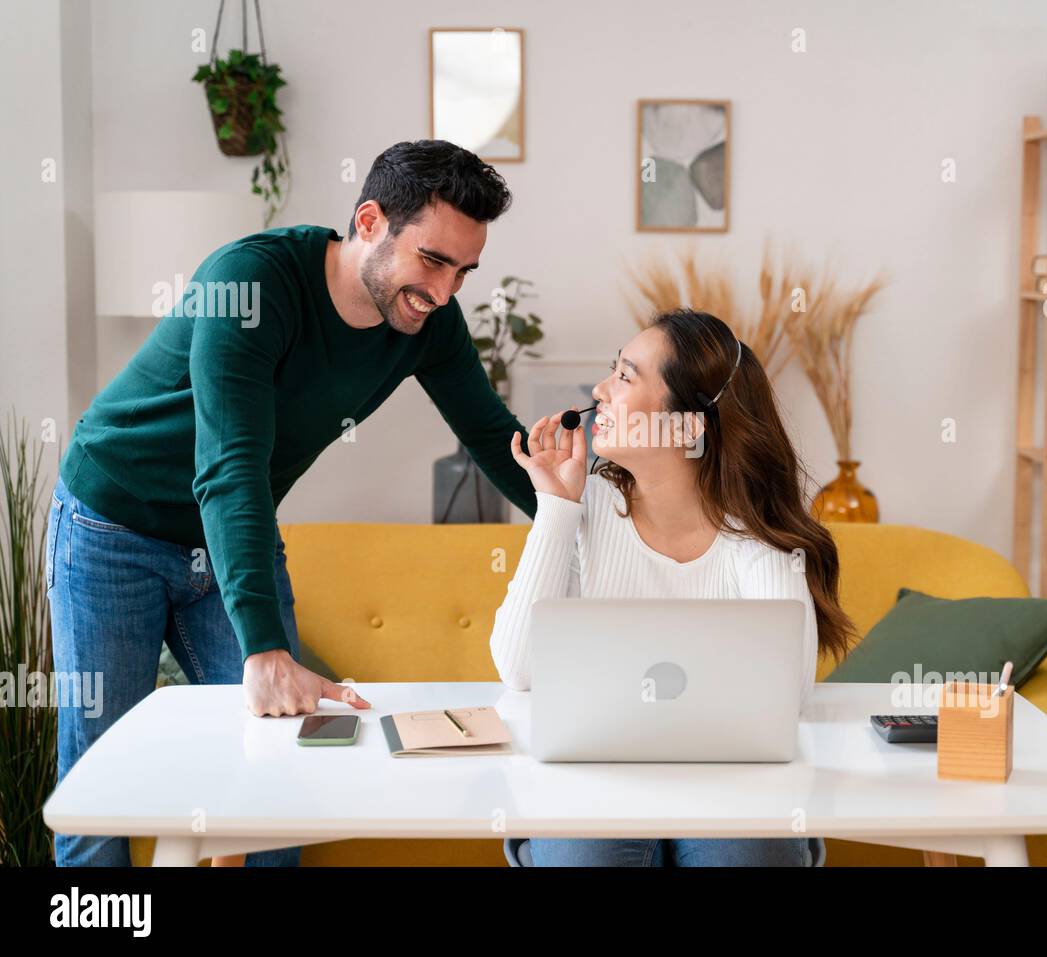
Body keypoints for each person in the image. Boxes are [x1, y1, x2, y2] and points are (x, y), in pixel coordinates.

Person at [47, 140, 538, 866]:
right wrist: (264, 648)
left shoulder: (429, 325)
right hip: (111, 524)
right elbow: (229, 465)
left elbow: (496, 440)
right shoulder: (251, 283)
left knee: (287, 776)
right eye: (433, 260)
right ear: (369, 221)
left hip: (231, 535)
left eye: (463, 271)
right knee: (101, 783)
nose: (443, 291)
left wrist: (595, 523)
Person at [491, 307, 855, 866]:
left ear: (686, 426)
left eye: (626, 376)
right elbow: (516, 670)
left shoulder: (755, 534)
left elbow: (790, 693)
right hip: (596, 778)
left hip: (731, 784)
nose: (599, 390)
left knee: (742, 856)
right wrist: (555, 509)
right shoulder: (582, 506)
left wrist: (751, 517)